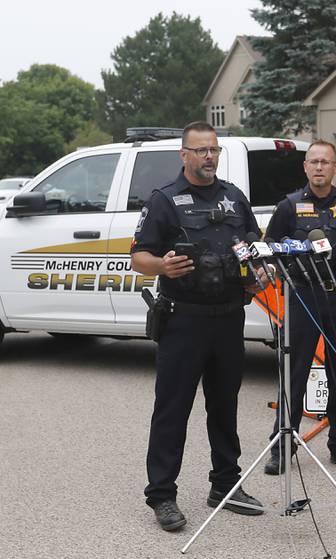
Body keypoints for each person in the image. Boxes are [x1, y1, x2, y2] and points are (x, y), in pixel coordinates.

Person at [131, 121, 270, 531]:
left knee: (224, 407)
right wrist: (161, 265)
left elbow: (252, 248)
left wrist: (259, 274)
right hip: (182, 320)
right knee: (172, 410)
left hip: (229, 317)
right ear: (184, 155)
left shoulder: (234, 197)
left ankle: (225, 485)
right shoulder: (165, 201)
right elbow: (139, 256)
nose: (209, 157)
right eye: (201, 151)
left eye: (214, 150)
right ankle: (162, 496)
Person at [263, 139, 336, 476]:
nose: (318, 167)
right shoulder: (289, 206)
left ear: (335, 167)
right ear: (305, 167)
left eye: (325, 162)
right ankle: (281, 448)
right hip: (303, 297)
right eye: (313, 161)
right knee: (294, 374)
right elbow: (271, 245)